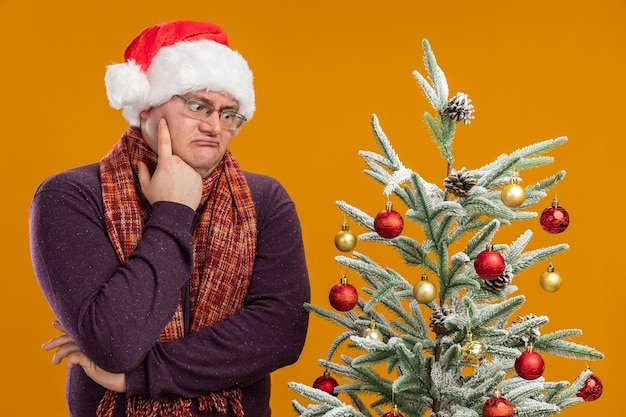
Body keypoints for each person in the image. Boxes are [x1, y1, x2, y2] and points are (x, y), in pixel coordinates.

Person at [29, 20, 310, 417]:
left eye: (230, 114)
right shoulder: (71, 196)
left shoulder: (265, 201)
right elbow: (115, 342)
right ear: (147, 104)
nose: (215, 126)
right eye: (198, 106)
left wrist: (137, 376)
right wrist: (173, 212)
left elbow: (280, 334)